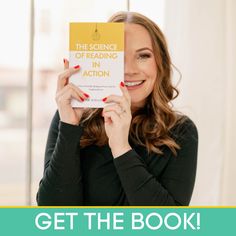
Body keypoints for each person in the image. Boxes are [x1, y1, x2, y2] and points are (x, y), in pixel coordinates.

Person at [37, 11, 198, 206]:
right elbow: (52, 212)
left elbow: (168, 223)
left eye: (143, 56)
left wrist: (121, 147)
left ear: (160, 63)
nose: (129, 69)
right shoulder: (71, 117)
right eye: (118, 57)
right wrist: (70, 127)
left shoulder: (181, 132)